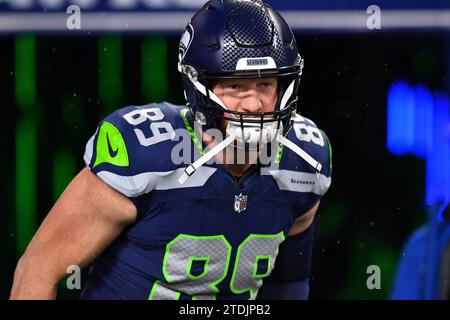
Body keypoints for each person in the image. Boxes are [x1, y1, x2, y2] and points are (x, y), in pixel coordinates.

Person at [10, 0, 332, 300]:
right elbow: (38, 272)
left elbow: (288, 283)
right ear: (200, 88)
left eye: (266, 85)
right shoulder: (143, 153)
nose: (254, 104)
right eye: (236, 85)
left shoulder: (304, 160)